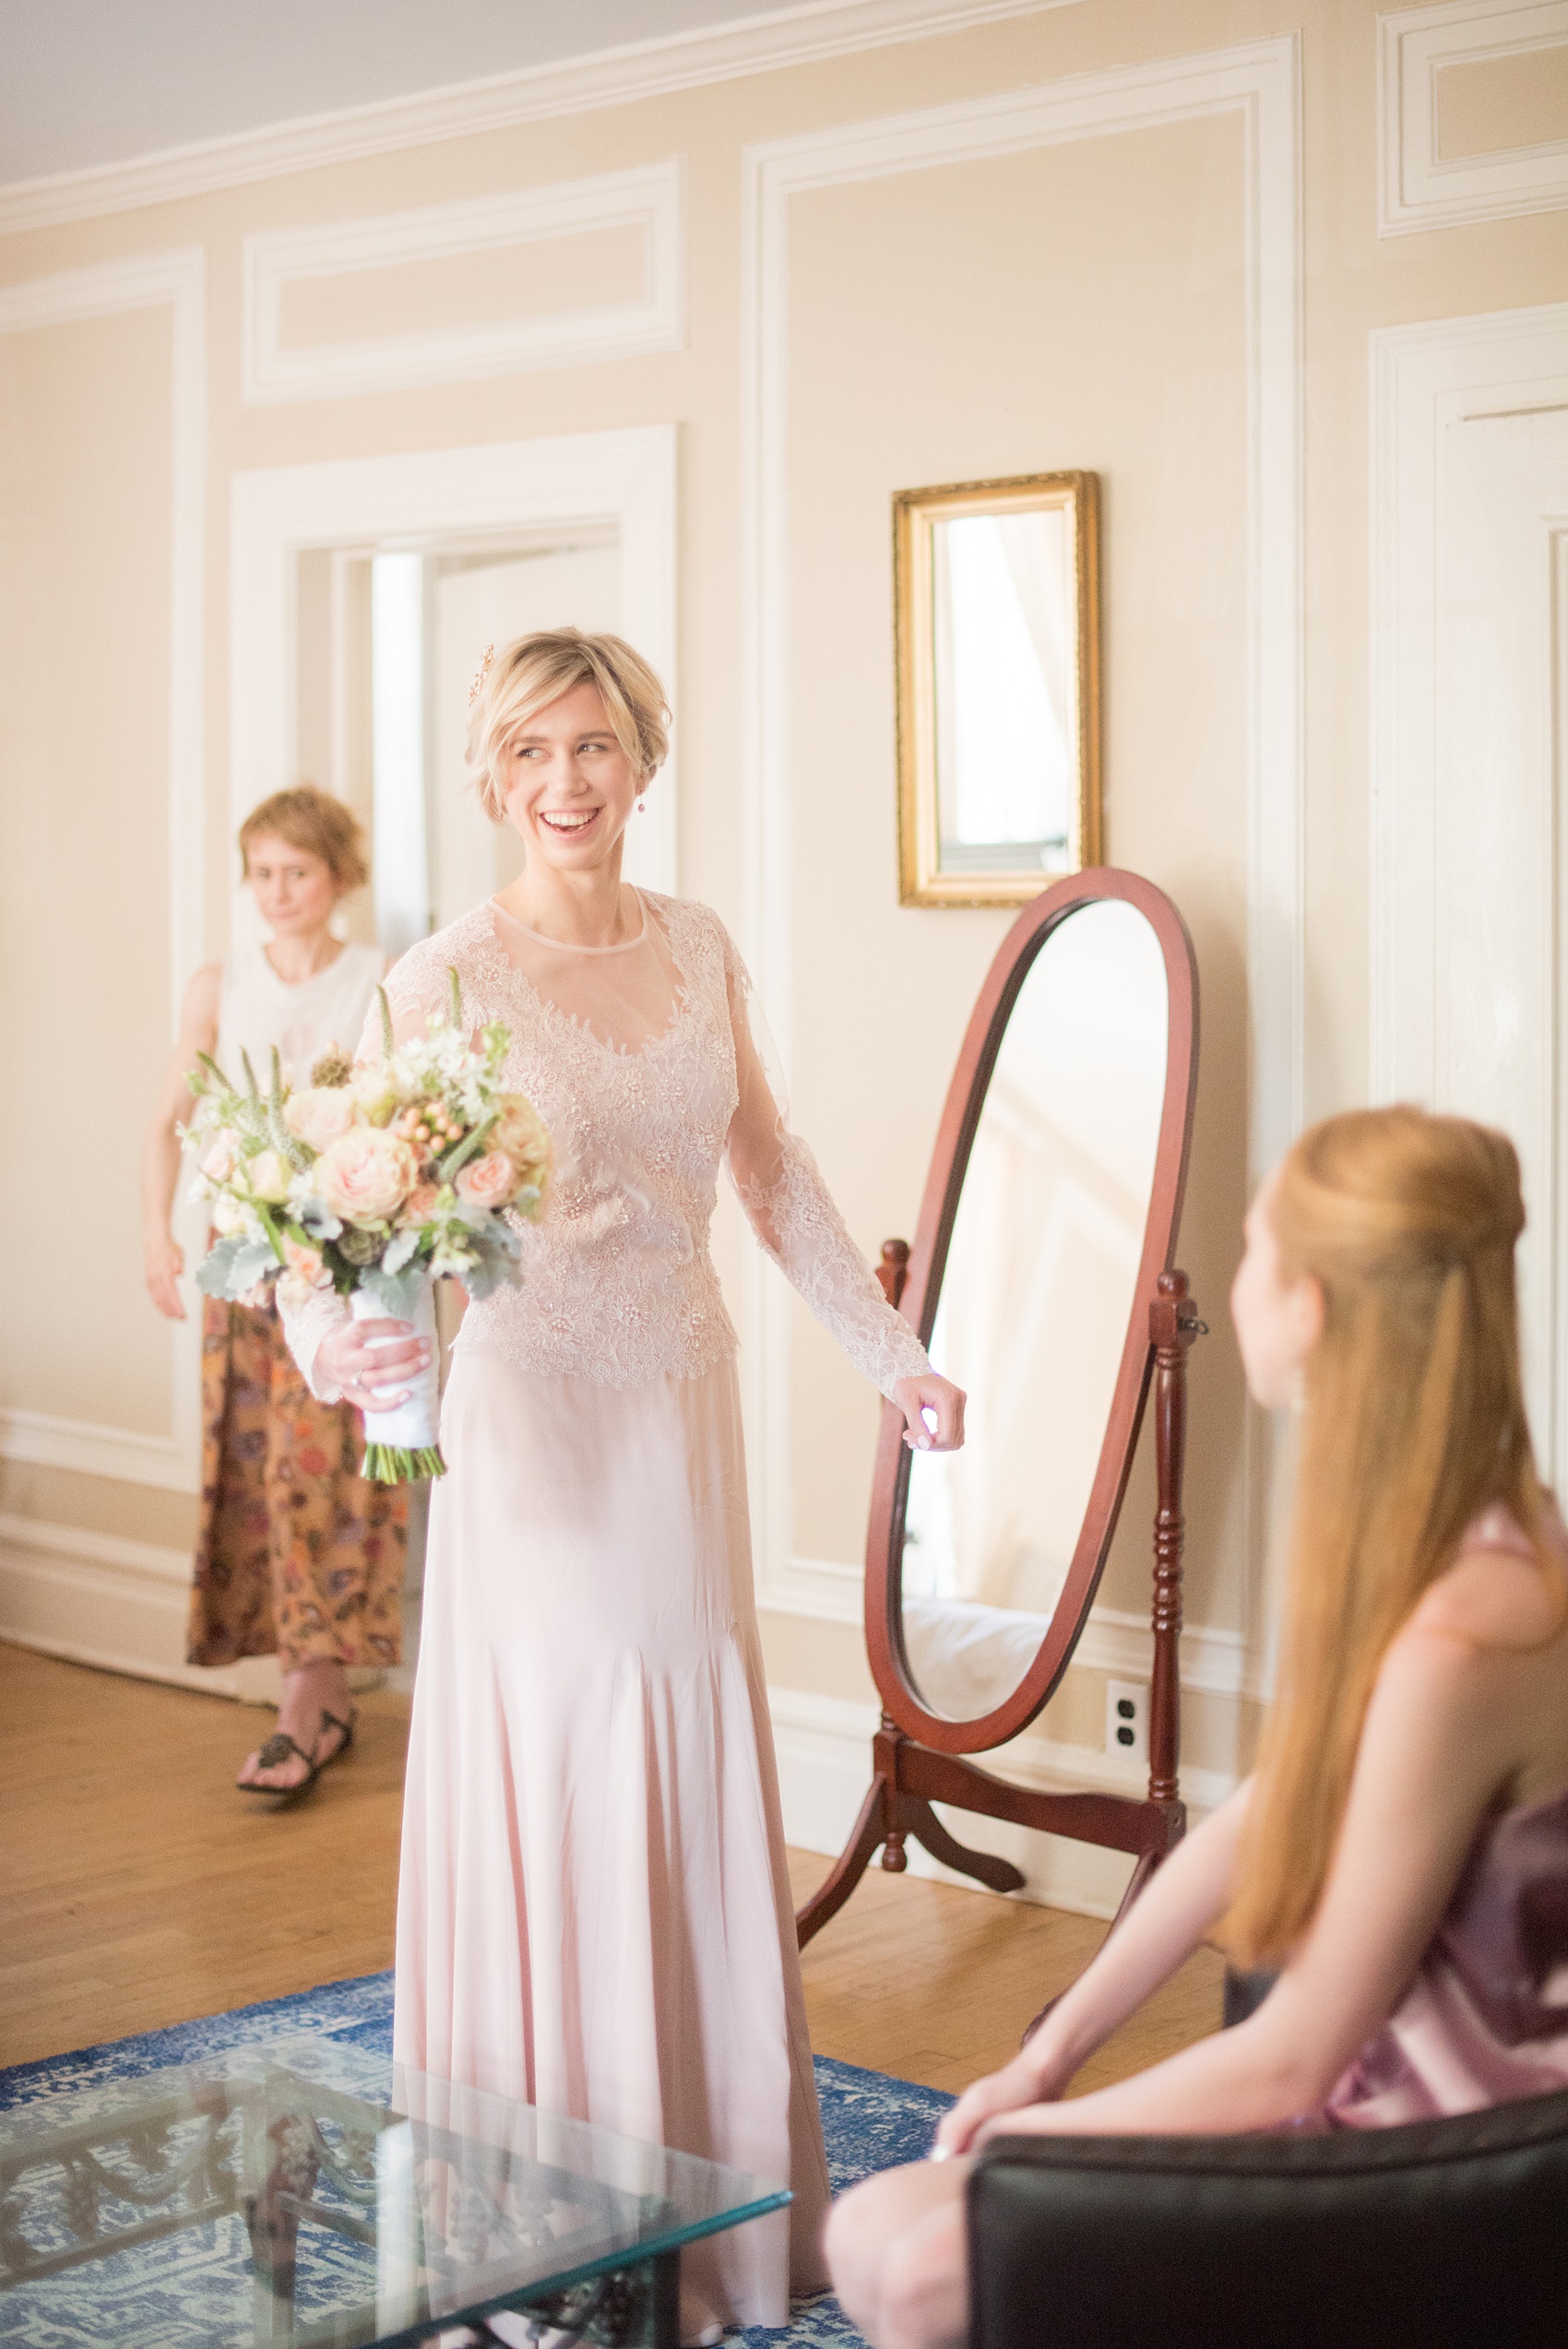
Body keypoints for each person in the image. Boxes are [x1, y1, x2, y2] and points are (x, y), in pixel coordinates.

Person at [278, 628, 965, 2340]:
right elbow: (338, 1218)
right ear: (493, 778)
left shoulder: (704, 942)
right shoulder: (438, 976)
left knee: (681, 1743)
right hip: (533, 1421)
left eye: (594, 748)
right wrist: (339, 1349)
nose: (567, 784)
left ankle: (715, 2207)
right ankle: (542, 2215)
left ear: (643, 760)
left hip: (685, 1395)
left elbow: (773, 1172)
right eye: (532, 755)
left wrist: (898, 1355)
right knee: (573, 1755)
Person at [826, 1104, 1568, 2349]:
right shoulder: (1482, 1531)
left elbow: (1289, 2060)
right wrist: (1047, 2051)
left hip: (1437, 2155)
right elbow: (1263, 1813)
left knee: (912, 2265)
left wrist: (1027, 2139)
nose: (1227, 1282)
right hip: (1389, 2092)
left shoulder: (1464, 1637)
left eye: (1248, 1246)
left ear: (1313, 1305)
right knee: (872, 2228)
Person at [142, 787, 406, 1799]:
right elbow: (167, 1117)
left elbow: (394, 1119)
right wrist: (154, 1236)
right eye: (261, 872)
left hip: (344, 1252)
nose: (279, 891)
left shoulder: (380, 981)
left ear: (338, 875)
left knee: (336, 1465)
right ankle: (309, 1691)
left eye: (298, 870)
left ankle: (317, 1696)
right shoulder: (218, 985)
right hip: (242, 1257)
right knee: (259, 1467)